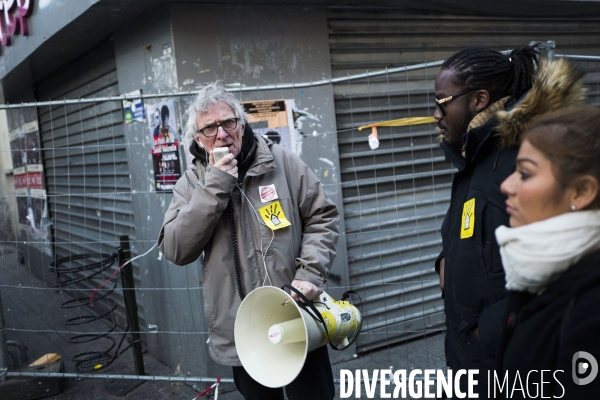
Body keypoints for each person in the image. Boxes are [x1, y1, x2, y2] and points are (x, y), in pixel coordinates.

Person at [157, 81, 339, 400]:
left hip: (296, 317)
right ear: (198, 138)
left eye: (228, 122)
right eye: (210, 128)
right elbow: (175, 248)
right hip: (244, 334)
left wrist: (310, 274)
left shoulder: (283, 162)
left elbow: (322, 216)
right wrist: (215, 184)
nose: (222, 134)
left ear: (242, 123)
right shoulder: (191, 185)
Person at [433, 45, 587, 395]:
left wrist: (487, 330)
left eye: (442, 103)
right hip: (468, 359)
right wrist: (446, 261)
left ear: (479, 100)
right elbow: (472, 230)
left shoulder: (531, 158)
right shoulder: (476, 156)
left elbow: (572, 268)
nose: (436, 114)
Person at [495, 106, 600, 398]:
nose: (506, 185)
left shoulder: (590, 309)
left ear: (580, 192)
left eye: (525, 174)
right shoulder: (536, 270)